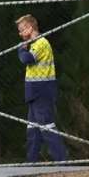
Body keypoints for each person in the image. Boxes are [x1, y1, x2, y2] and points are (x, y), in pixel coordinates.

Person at [16, 14, 67, 162]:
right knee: (32, 129)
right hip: (33, 92)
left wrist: (21, 49)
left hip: (42, 91)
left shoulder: (41, 43)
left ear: (30, 28)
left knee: (46, 126)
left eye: (21, 30)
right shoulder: (34, 44)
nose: (20, 34)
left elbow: (27, 59)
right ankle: (31, 162)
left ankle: (62, 160)